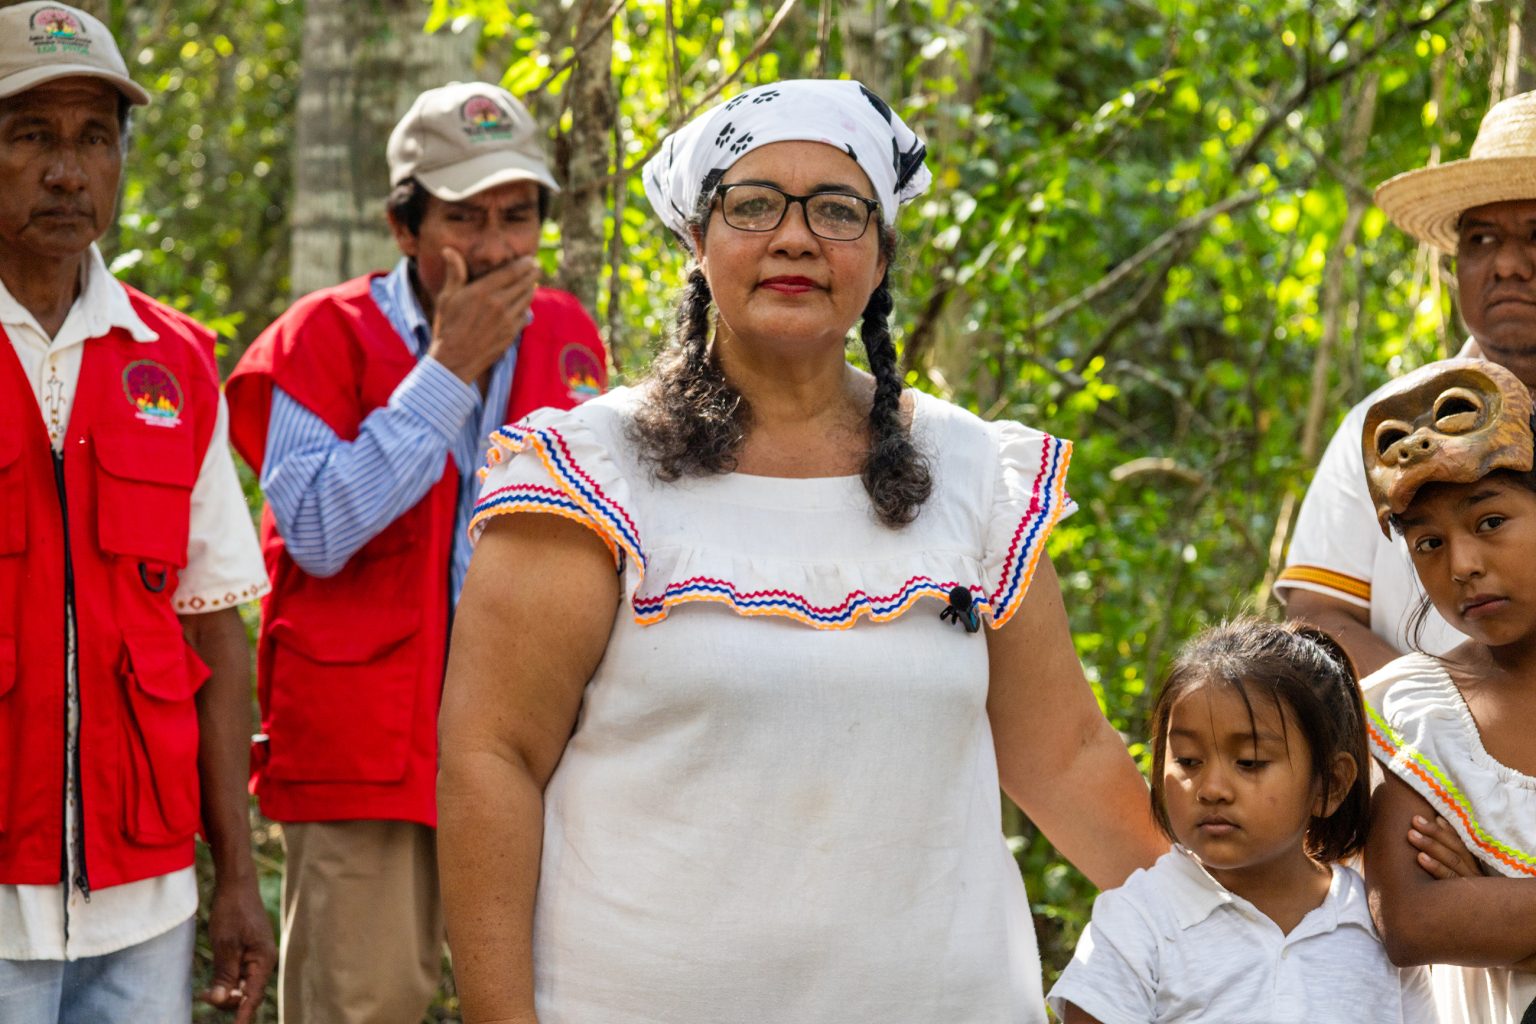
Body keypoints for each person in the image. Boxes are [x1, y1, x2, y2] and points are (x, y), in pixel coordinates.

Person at [437, 78, 1167, 1024]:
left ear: (881, 251)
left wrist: (1239, 920)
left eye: (836, 211)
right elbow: (491, 759)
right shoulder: (594, 473)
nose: (794, 238)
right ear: (696, 240)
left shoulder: (970, 471)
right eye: (753, 206)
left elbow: (1065, 757)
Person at [224, 81, 607, 1024]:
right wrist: (449, 369)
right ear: (405, 227)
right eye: (464, 218)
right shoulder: (321, 336)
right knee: (363, 1006)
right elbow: (317, 532)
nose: (497, 248)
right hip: (364, 755)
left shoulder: (568, 336)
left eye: (517, 217)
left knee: (540, 1004)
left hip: (533, 748)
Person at [0, 3, 275, 1021]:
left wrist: (235, 878)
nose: (67, 172)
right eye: (31, 136)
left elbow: (215, 628)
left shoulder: (176, 366)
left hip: (147, 903)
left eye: (94, 139)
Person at [1046, 619, 1436, 1023]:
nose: (1212, 788)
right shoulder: (1138, 920)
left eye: (1249, 762)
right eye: (1188, 760)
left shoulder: (1373, 924)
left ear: (1330, 785)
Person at [1277, 88, 1536, 675]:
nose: (1506, 265)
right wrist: (1444, 713)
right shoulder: (1384, 428)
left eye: (1535, 236)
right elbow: (1317, 615)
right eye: (1481, 240)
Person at [1359, 357, 1536, 1023]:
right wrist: (1462, 914)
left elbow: (1461, 920)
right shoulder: (1411, 713)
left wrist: (1496, 908)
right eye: (1428, 543)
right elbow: (1415, 921)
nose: (1462, 565)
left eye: (1490, 522)